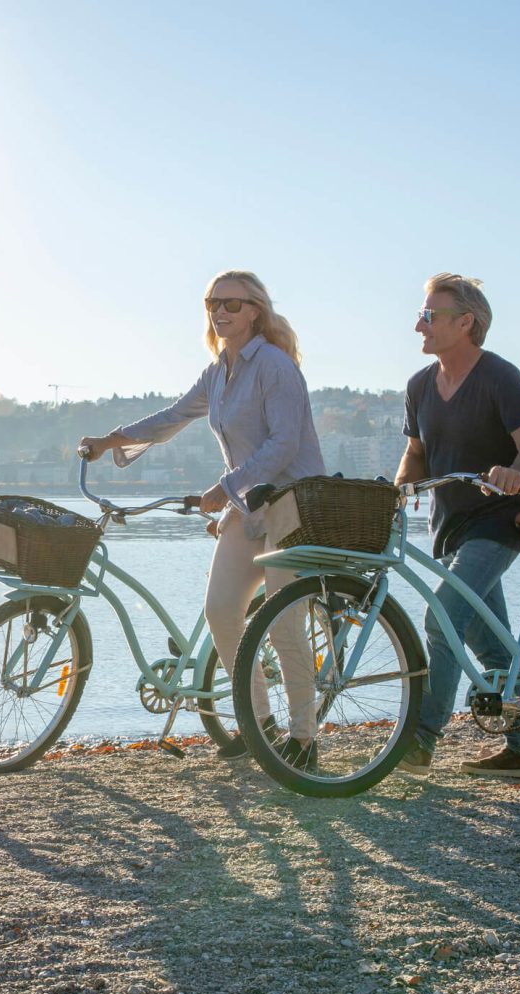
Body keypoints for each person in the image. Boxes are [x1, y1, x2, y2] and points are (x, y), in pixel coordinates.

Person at [79, 270, 326, 763]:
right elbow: (172, 417)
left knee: (282, 624)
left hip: (290, 505)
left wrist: (225, 487)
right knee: (221, 613)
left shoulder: (275, 367)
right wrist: (113, 440)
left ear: (255, 311)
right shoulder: (218, 372)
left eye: (231, 304)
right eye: (212, 302)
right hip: (249, 504)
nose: (220, 311)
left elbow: (286, 445)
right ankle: (261, 725)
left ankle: (305, 738)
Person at [395, 273, 520, 779]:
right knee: (490, 642)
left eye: (431, 315)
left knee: (442, 617)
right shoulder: (419, 386)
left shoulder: (499, 377)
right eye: (422, 314)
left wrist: (516, 473)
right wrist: (399, 488)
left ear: (466, 322)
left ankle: (419, 743)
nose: (420, 324)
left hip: (499, 520)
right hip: (450, 525)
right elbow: (416, 454)